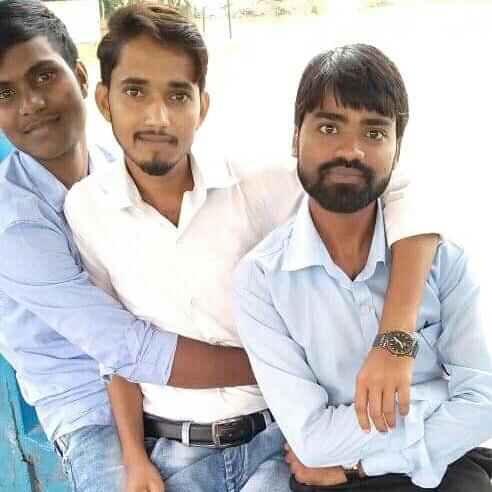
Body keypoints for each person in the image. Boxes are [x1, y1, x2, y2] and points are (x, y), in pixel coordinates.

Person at [64, 6, 441, 491]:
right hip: (174, 451)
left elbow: (398, 187)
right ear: (104, 99)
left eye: (178, 95)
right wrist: (135, 458)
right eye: (135, 91)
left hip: (278, 442)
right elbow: (113, 348)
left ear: (202, 106)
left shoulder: (254, 183)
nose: (158, 117)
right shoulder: (88, 208)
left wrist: (395, 336)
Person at [0, 2, 263, 490]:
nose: (30, 103)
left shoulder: (122, 167)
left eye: (44, 76)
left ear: (81, 79)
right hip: (89, 406)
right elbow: (128, 349)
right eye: (5, 93)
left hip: (168, 389)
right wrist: (272, 363)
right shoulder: (14, 225)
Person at [232, 44, 492, 491]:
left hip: (431, 467)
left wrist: (362, 467)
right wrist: (438, 396)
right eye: (329, 127)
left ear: (396, 149)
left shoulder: (442, 259)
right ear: (295, 138)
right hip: (336, 478)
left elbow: (484, 403)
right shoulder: (261, 281)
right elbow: (312, 441)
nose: (350, 151)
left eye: (373, 133)